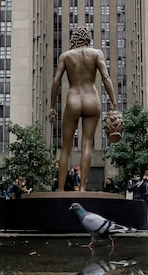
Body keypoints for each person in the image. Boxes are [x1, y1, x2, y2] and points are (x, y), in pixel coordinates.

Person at [49, 26, 117, 191]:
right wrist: (114, 102)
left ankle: (60, 189)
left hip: (73, 99)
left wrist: (52, 106)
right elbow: (105, 77)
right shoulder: (96, 54)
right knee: (87, 144)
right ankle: (84, 187)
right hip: (92, 99)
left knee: (66, 147)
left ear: (74, 39)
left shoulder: (65, 56)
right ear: (88, 38)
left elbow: (56, 81)